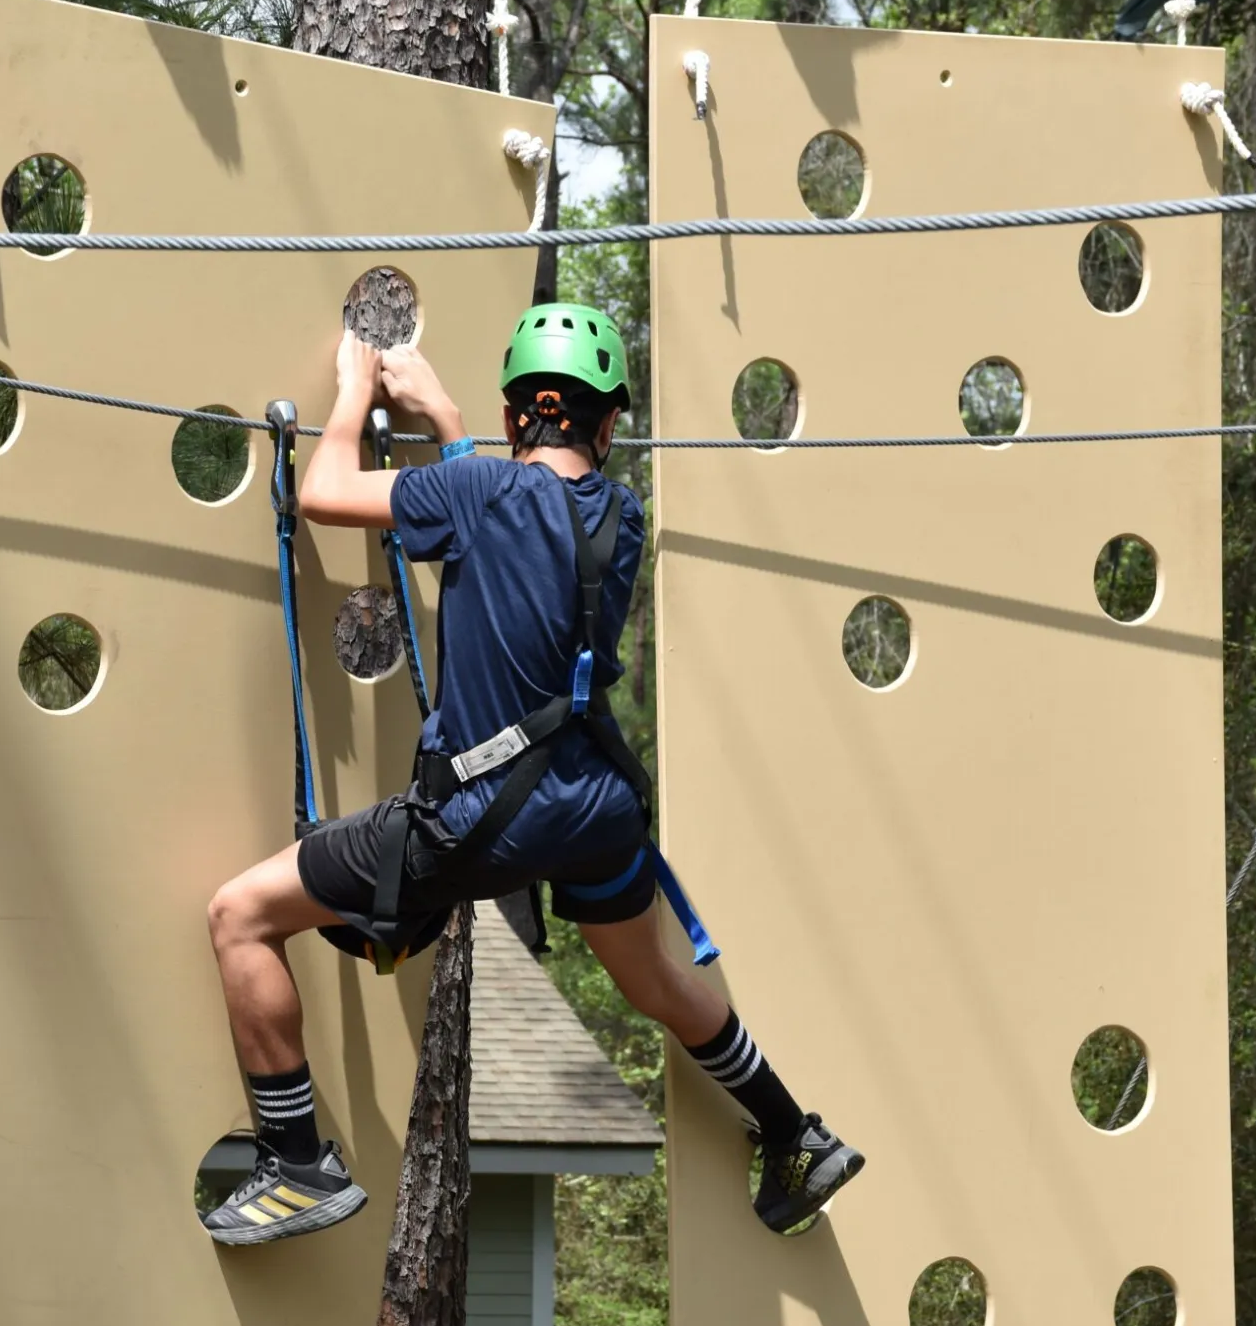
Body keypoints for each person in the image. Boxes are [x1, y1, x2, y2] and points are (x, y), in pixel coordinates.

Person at [202, 304, 862, 1246]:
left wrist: (354, 395)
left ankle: (296, 1160)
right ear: (607, 426)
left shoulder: (473, 491)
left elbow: (326, 490)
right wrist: (449, 425)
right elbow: (532, 518)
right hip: (595, 812)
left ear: (517, 420)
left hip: (481, 822)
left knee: (240, 917)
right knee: (659, 982)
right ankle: (797, 1134)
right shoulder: (621, 519)